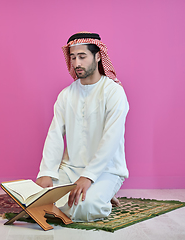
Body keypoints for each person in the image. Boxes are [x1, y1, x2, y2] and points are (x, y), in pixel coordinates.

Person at [36, 32, 129, 222]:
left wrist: (89, 177)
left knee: (84, 208)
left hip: (106, 170)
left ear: (97, 56)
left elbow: (111, 139)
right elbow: (54, 135)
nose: (76, 63)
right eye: (72, 57)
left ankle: (101, 191)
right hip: (70, 169)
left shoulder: (114, 93)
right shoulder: (66, 95)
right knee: (37, 202)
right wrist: (46, 173)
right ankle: (101, 194)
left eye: (82, 56)